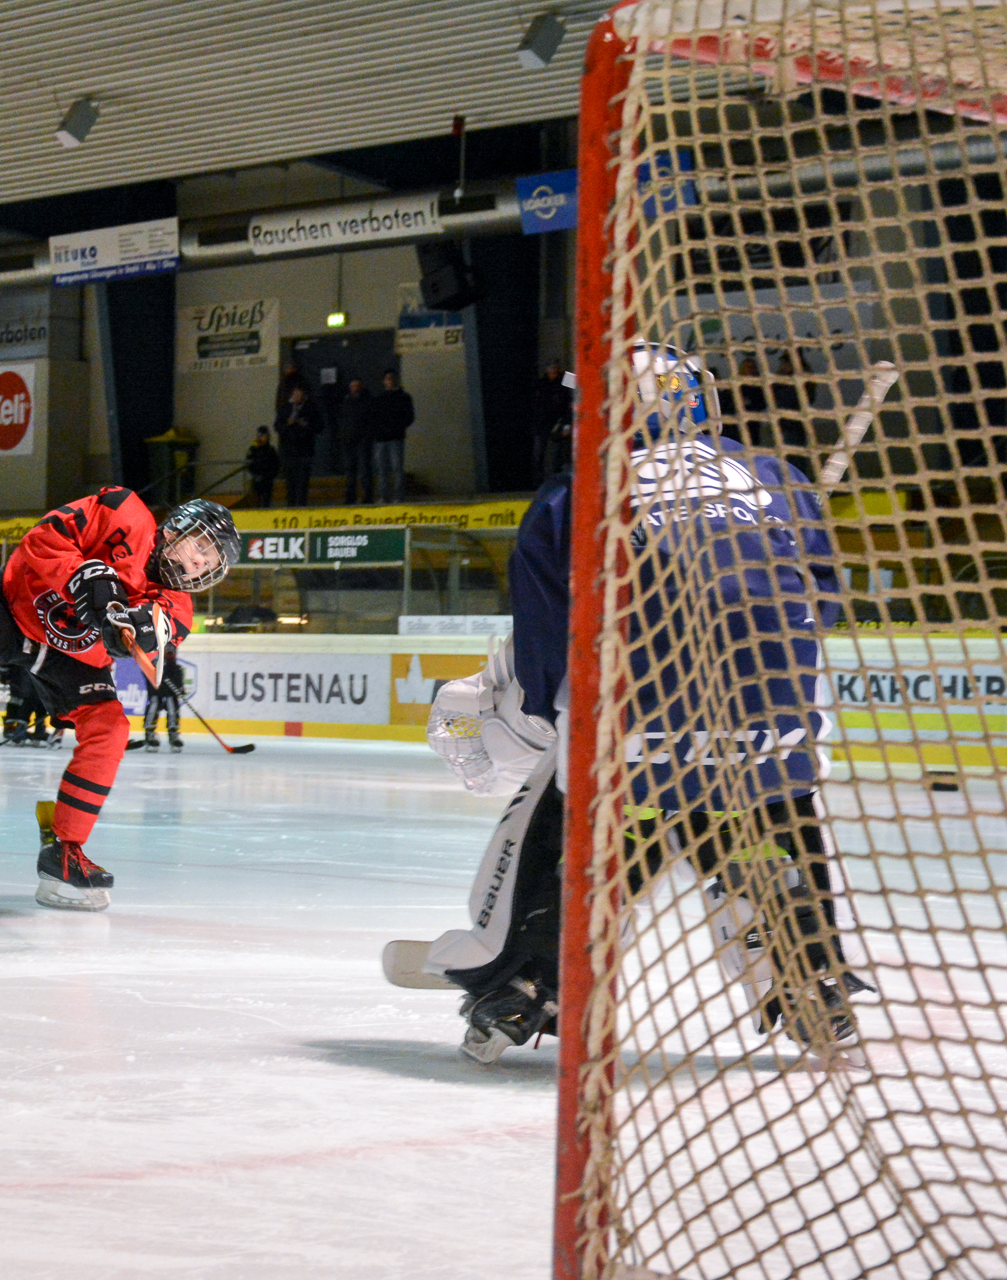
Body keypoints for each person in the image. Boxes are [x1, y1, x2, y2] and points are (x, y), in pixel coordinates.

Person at [413, 342, 871, 1064]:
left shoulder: (572, 495)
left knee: (563, 830)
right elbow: (825, 601)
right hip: (775, 736)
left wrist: (546, 726)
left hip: (631, 742)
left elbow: (545, 647)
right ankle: (810, 975)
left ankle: (527, 981)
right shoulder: (778, 479)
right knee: (766, 821)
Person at [0, 491, 240, 911]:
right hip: (10, 606)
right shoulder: (122, 510)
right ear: (176, 529)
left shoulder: (178, 609)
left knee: (111, 729)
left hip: (70, 656)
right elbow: (41, 538)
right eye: (201, 546)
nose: (201, 563)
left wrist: (133, 634)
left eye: (211, 561)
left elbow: (153, 640)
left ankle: (64, 849)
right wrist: (81, 576)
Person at [369, 369, 414, 503]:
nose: (390, 381)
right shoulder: (379, 399)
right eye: (388, 379)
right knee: (383, 469)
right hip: (381, 438)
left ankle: (399, 497)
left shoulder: (403, 397)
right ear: (384, 381)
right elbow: (373, 417)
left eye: (392, 378)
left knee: (397, 468)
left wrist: (397, 427)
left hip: (395, 437)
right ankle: (385, 497)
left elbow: (409, 416)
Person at [274, 386, 323, 508]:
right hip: (289, 451)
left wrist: (306, 425)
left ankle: (302, 505)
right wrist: (287, 423)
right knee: (290, 480)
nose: (297, 398)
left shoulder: (311, 409)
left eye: (300, 396)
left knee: (303, 481)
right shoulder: (285, 409)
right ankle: (291, 504)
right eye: (295, 395)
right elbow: (277, 426)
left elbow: (319, 427)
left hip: (305, 451)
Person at [533, 360, 574, 482]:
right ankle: (538, 481)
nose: (553, 371)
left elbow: (581, 388)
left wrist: (567, 424)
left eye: (556, 368)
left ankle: (559, 480)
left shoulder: (566, 379)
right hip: (543, 422)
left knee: (560, 453)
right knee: (539, 453)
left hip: (561, 421)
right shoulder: (541, 383)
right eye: (551, 368)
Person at [336, 378, 375, 504]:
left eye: (357, 386)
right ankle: (350, 496)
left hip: (362, 440)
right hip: (348, 440)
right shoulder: (346, 402)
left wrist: (367, 436)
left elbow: (370, 420)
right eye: (352, 386)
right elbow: (342, 420)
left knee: (365, 469)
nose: (354, 389)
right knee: (350, 470)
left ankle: (367, 496)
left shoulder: (367, 402)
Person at [141, 649, 184, 753]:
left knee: (172, 704)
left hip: (169, 686)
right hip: (156, 683)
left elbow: (178, 681)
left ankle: (173, 732)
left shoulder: (176, 668)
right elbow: (146, 668)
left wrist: (178, 687)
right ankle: (150, 733)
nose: (171, 655)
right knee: (154, 703)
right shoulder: (154, 657)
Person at [245, 426, 280, 509]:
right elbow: (249, 463)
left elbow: (276, 465)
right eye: (259, 436)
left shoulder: (271, 450)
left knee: (267, 501)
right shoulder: (253, 449)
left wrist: (270, 475)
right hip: (257, 479)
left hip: (268, 480)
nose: (261, 438)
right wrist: (255, 474)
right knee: (256, 501)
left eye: (263, 436)